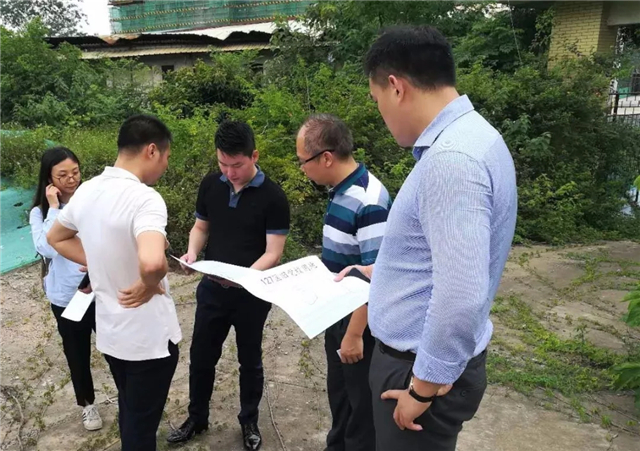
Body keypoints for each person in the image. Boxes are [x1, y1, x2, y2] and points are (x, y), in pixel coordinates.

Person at [336, 26, 518, 451]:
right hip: (424, 366)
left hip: (416, 371)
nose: (380, 113)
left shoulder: (452, 161)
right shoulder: (476, 137)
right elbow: (448, 259)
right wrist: (383, 272)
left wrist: (422, 388)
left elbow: (461, 294)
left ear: (396, 87)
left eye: (377, 99)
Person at [47, 114, 182, 451]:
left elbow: (56, 237)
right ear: (152, 150)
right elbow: (153, 262)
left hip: (112, 335)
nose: (166, 165)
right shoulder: (145, 199)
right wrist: (149, 283)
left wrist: (98, 260)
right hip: (148, 340)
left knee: (131, 412)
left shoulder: (88, 190)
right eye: (166, 156)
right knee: (140, 429)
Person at [167, 120, 290, 450]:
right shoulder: (211, 184)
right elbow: (200, 227)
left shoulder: (273, 197)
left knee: (250, 360)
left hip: (252, 294)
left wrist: (244, 277)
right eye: (223, 163)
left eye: (237, 165)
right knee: (201, 357)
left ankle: (249, 420)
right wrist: (192, 253)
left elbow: (273, 252)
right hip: (212, 290)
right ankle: (197, 417)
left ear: (254, 156)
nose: (230, 172)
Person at [296, 114, 391, 451]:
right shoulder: (341, 190)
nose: (302, 169)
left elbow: (376, 276)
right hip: (337, 314)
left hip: (359, 324)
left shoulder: (369, 200)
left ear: (326, 158)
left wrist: (353, 335)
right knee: (341, 398)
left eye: (303, 161)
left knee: (360, 409)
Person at [29, 147, 102, 432]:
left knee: (114, 346)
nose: (71, 179)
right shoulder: (40, 213)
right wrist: (55, 208)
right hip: (66, 295)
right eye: (63, 175)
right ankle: (88, 405)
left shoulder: (91, 201)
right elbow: (46, 247)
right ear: (49, 179)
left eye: (75, 172)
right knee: (77, 352)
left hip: (99, 287)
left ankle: (129, 397)